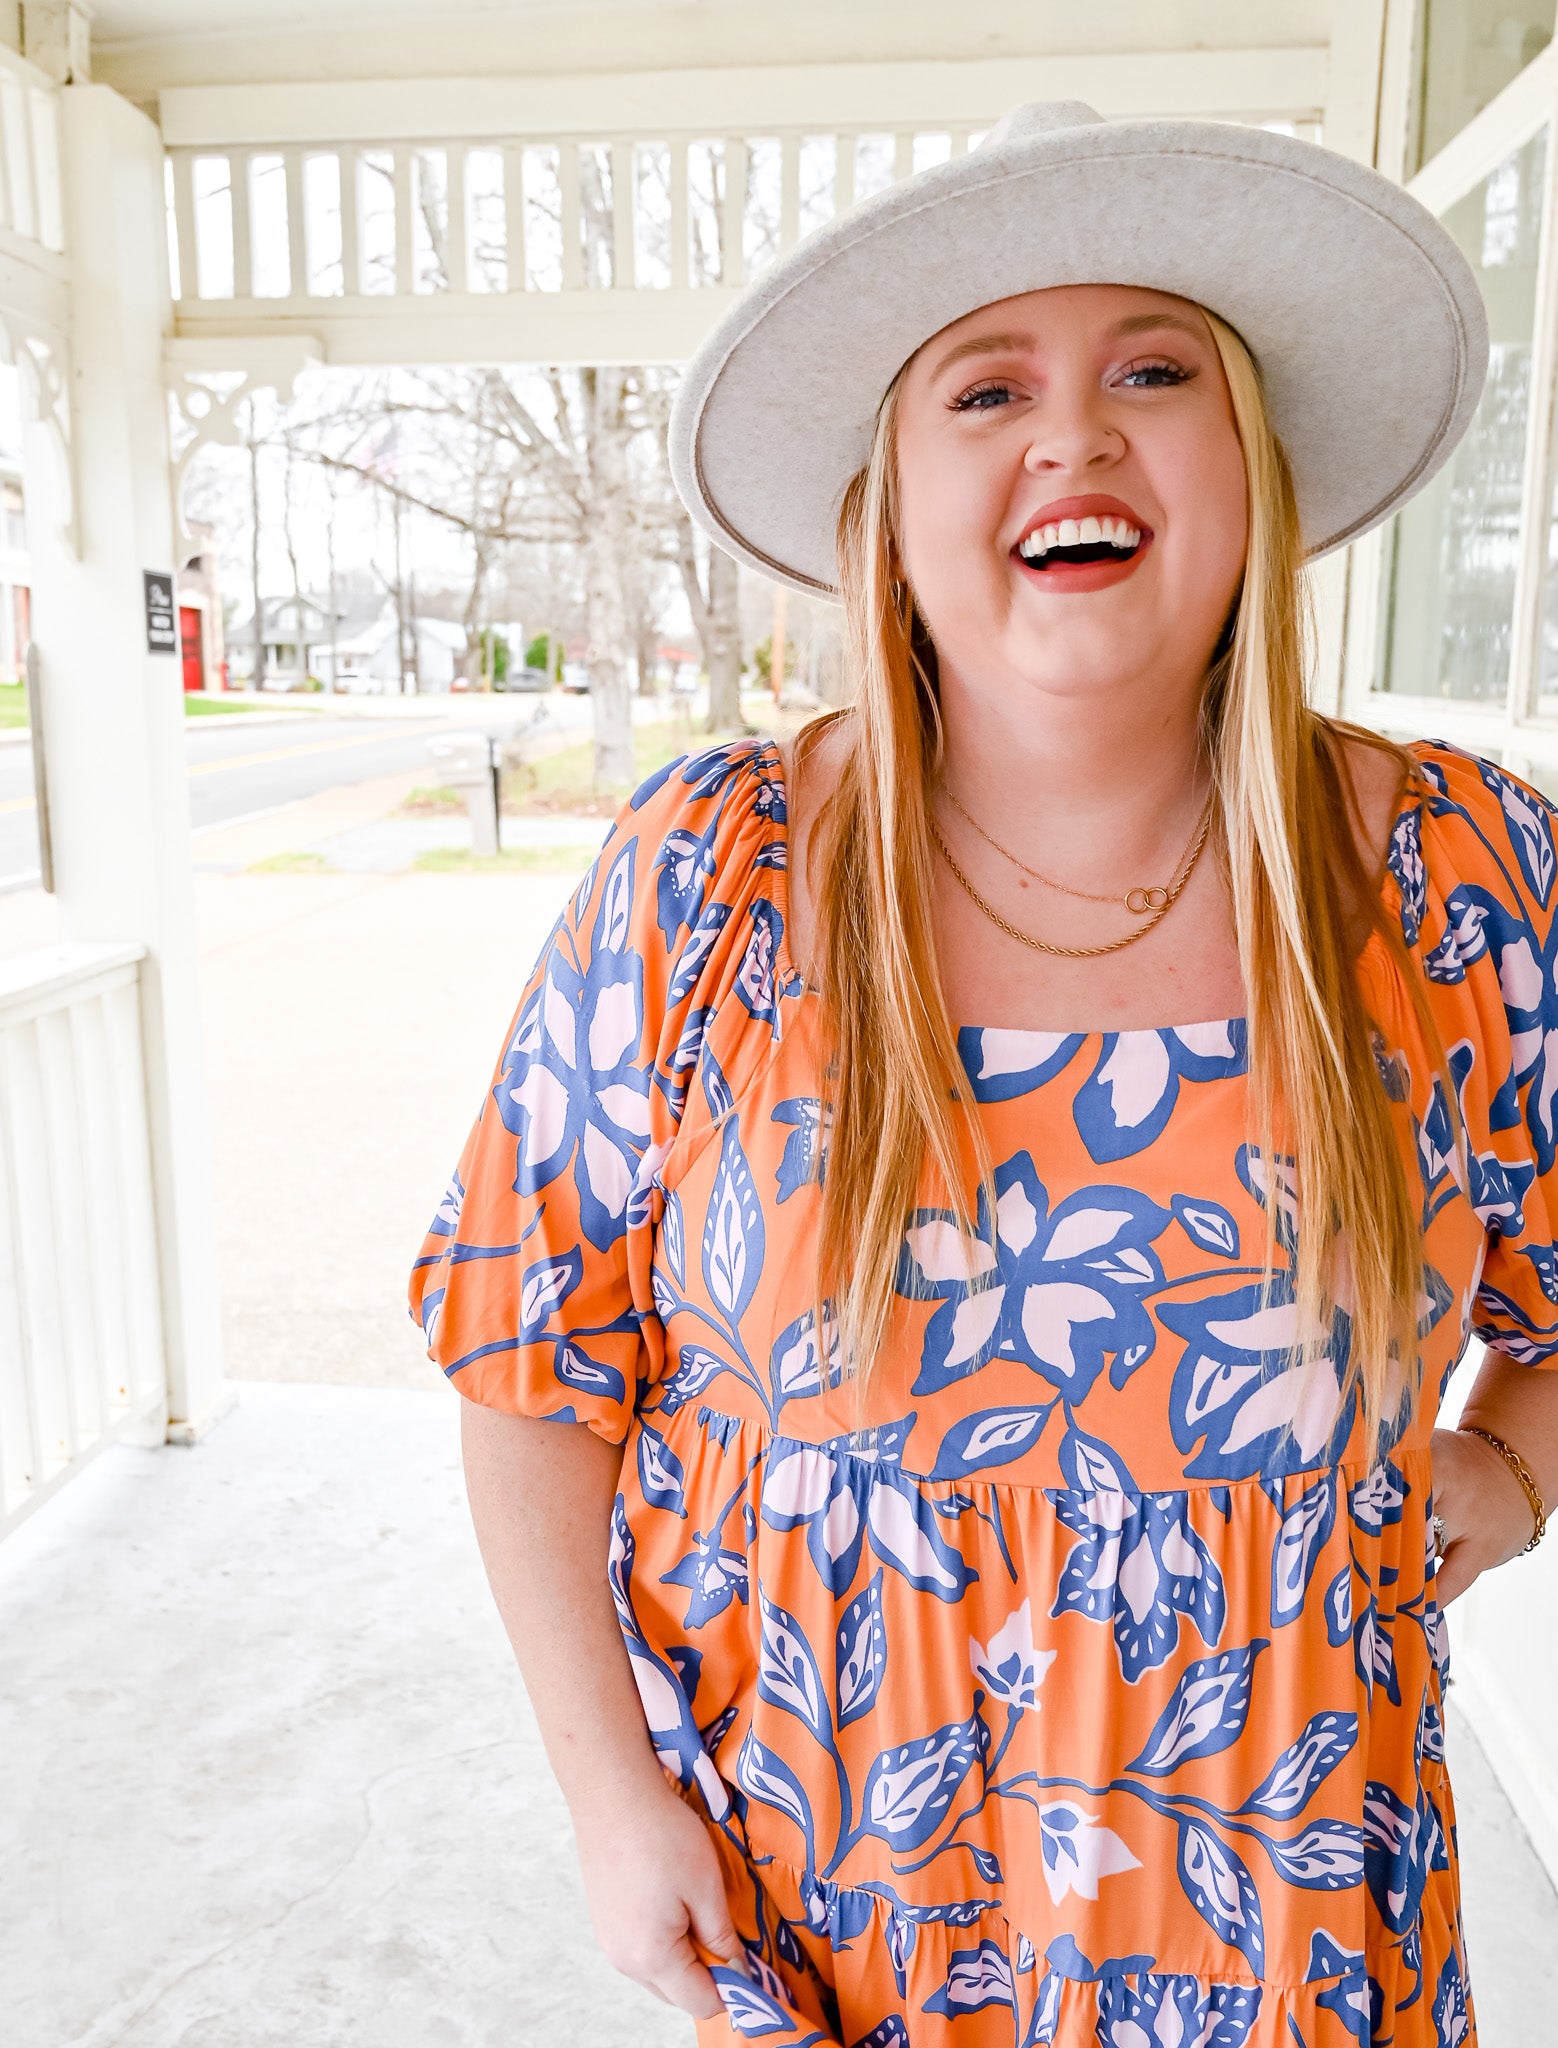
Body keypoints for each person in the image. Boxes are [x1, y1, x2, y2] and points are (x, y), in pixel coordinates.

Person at [409, 103, 1556, 2046]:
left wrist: (1512, 1467)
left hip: (1285, 1934)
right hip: (839, 1932)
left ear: (1250, 462)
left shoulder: (1458, 882)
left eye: (1154, 368)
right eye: (987, 384)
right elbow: (530, 1369)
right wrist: (611, 1803)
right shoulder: (717, 884)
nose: (1075, 434)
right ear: (892, 494)